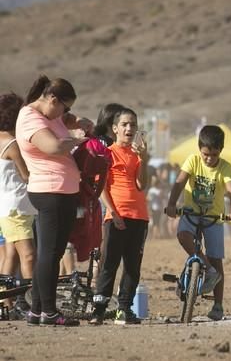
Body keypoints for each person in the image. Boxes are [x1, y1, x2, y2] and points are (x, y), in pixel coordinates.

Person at [16, 75, 92, 326]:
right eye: (64, 106)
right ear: (51, 99)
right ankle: (49, 311)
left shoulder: (52, 114)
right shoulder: (30, 118)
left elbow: (68, 120)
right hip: (49, 192)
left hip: (64, 191)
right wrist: (80, 140)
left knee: (53, 252)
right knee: (48, 253)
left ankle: (37, 309)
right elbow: (54, 147)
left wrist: (78, 121)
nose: (65, 112)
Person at [164, 125, 231, 321]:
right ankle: (208, 270)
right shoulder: (193, 161)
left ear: (220, 151)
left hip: (214, 218)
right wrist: (172, 204)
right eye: (206, 154)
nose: (209, 159)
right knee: (183, 235)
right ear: (199, 149)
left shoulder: (225, 167)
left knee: (216, 259)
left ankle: (218, 304)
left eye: (214, 155)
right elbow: (180, 182)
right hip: (190, 213)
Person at [91, 107, 149, 325]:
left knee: (133, 267)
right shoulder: (108, 153)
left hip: (140, 216)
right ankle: (99, 309)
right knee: (109, 264)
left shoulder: (137, 154)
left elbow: (142, 184)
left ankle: (123, 309)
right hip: (116, 216)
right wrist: (113, 213)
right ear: (115, 128)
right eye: (125, 124)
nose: (129, 128)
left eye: (133, 124)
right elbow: (101, 185)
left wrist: (145, 158)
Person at [0, 93, 37, 316]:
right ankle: (33, 301)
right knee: (29, 255)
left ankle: (7, 302)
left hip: (8, 207)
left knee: (11, 257)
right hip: (17, 207)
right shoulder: (12, 144)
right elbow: (26, 175)